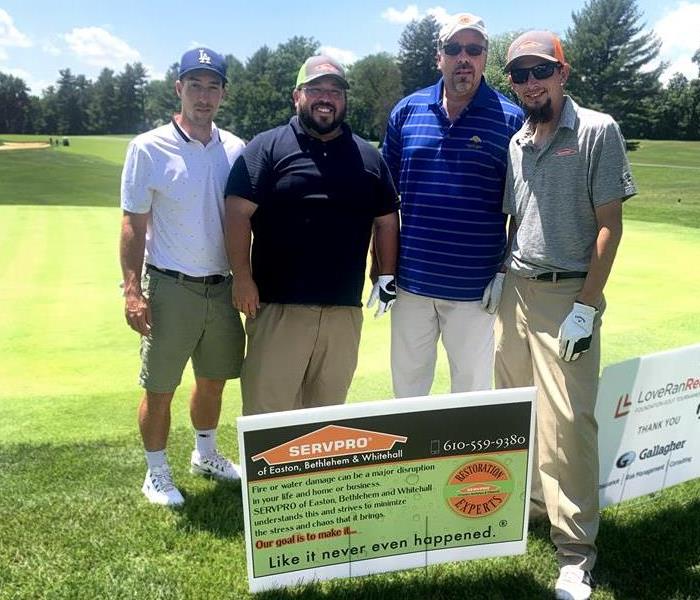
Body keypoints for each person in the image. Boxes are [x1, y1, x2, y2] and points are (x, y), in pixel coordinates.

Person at [494, 31, 637, 600]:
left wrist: (587, 305)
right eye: (520, 74)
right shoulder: (519, 139)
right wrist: (501, 275)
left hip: (567, 297)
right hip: (517, 292)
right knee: (517, 408)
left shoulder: (597, 129)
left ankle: (576, 551)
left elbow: (610, 226)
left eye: (540, 71)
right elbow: (517, 218)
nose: (531, 82)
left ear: (562, 72)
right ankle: (531, 510)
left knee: (569, 425)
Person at [225, 55, 399, 415]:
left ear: (344, 99)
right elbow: (237, 212)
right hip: (278, 309)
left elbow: (385, 220)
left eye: (335, 91)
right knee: (268, 417)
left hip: (343, 313)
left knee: (325, 421)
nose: (326, 97)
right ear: (297, 96)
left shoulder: (368, 157)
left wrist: (386, 275)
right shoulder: (267, 147)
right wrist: (242, 277)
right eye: (316, 89)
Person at [119, 47, 246, 507]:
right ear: (179, 89)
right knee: (161, 385)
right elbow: (133, 223)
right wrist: (132, 290)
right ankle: (155, 473)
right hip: (170, 284)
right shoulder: (148, 147)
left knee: (213, 378)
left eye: (213, 86)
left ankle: (205, 454)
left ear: (223, 93)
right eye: (195, 85)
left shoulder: (235, 148)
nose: (204, 96)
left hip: (223, 284)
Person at [382, 13, 523, 398]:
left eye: (474, 49)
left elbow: (523, 209)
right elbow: (382, 200)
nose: (464, 58)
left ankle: (466, 463)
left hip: (475, 289)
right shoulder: (407, 112)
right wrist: (381, 268)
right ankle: (411, 460)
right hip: (411, 284)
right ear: (438, 56)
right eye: (454, 48)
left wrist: (504, 269)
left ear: (484, 56)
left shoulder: (511, 120)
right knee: (408, 392)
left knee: (471, 394)